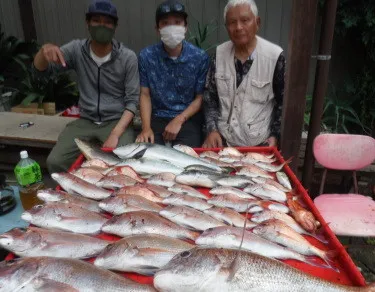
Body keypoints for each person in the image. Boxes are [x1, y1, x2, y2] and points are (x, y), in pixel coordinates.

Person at [32, 0, 139, 174]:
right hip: (86, 120)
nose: (102, 26)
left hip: (115, 121)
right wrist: (43, 52)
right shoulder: (76, 50)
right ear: (87, 23)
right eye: (96, 20)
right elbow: (41, 73)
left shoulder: (127, 57)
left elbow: (133, 101)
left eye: (107, 22)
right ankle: (78, 193)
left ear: (115, 26)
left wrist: (115, 134)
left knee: (122, 166)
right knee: (56, 161)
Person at [202, 0, 285, 148]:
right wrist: (212, 130)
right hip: (222, 141)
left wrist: (275, 136)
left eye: (245, 20)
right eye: (232, 22)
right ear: (226, 27)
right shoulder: (220, 54)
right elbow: (210, 98)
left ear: (257, 22)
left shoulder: (274, 57)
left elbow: (282, 103)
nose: (238, 27)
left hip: (259, 144)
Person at [136, 0, 210, 147]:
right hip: (157, 117)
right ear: (157, 29)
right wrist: (145, 128)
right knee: (150, 157)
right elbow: (145, 94)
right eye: (165, 23)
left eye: (177, 22)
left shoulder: (199, 57)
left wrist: (179, 119)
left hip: (187, 118)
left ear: (185, 27)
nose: (172, 28)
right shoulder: (147, 56)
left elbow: (200, 98)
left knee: (187, 157)